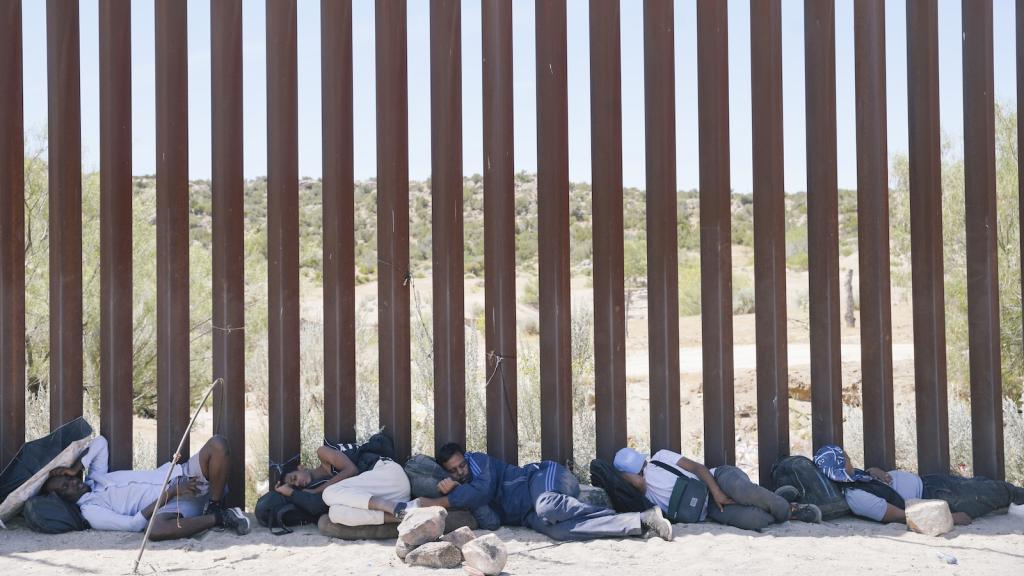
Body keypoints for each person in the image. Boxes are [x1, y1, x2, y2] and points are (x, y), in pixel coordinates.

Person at [397, 443, 673, 542]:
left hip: (543, 477)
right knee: (559, 531)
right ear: (447, 472)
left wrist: (440, 499)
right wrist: (461, 492)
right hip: (529, 512)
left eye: (461, 465)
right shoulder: (466, 487)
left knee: (548, 505)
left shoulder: (479, 462)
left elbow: (480, 492)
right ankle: (640, 522)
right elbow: (492, 521)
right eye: (454, 471)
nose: (461, 472)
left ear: (466, 458)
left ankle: (632, 513)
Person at [42, 435, 249, 540]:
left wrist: (76, 467)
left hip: (182, 474)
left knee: (218, 444)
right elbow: (133, 524)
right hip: (173, 504)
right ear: (62, 500)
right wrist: (171, 494)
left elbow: (101, 442)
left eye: (68, 479)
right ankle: (221, 517)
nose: (73, 482)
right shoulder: (91, 511)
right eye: (66, 487)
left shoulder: (96, 478)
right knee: (154, 531)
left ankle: (214, 505)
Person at [613, 447, 822, 531]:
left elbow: (698, 468)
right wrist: (635, 481)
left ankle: (791, 510)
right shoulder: (642, 494)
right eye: (639, 470)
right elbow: (639, 486)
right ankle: (777, 500)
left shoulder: (659, 458)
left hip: (717, 479)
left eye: (643, 465)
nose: (644, 470)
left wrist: (717, 492)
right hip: (709, 510)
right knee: (755, 520)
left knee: (743, 491)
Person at [814, 444, 1024, 526]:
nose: (850, 458)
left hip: (930, 483)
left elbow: (873, 483)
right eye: (846, 457)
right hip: (938, 497)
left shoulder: (853, 477)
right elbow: (899, 515)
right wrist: (950, 517)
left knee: (983, 484)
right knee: (999, 491)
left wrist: (871, 471)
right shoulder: (856, 497)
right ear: (841, 464)